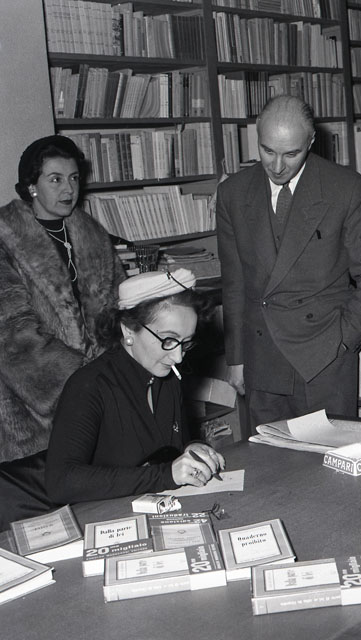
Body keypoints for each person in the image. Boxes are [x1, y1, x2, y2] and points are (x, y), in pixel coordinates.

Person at [216, 95, 361, 432]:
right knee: (268, 459)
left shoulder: (345, 188)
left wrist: (343, 340)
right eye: (267, 150)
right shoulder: (232, 193)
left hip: (323, 355)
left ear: (311, 142)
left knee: (327, 457)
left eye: (291, 154)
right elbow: (234, 282)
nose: (277, 166)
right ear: (257, 135)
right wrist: (236, 358)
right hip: (261, 356)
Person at [45, 268, 225, 505]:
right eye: (168, 340)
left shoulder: (167, 375)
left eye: (186, 343)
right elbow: (60, 482)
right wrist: (166, 475)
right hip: (98, 514)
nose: (178, 357)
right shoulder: (89, 386)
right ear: (128, 329)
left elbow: (173, 447)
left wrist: (193, 448)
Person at [0, 135, 124, 464]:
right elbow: (11, 336)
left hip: (99, 394)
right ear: (31, 186)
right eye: (55, 179)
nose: (68, 189)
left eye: (73, 178)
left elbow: (118, 308)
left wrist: (115, 370)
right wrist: (82, 379)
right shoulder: (4, 238)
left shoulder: (92, 233)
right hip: (31, 406)